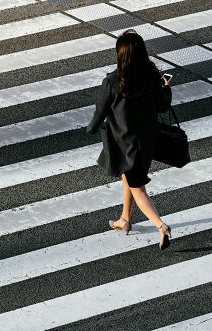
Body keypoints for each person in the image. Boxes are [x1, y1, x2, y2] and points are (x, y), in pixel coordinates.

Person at [87, 29, 173, 250]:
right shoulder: (151, 78)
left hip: (124, 144)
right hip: (146, 141)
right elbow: (163, 105)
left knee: (138, 188)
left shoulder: (113, 81)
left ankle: (161, 226)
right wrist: (165, 86)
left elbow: (101, 110)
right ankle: (124, 219)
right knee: (129, 179)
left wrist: (91, 128)